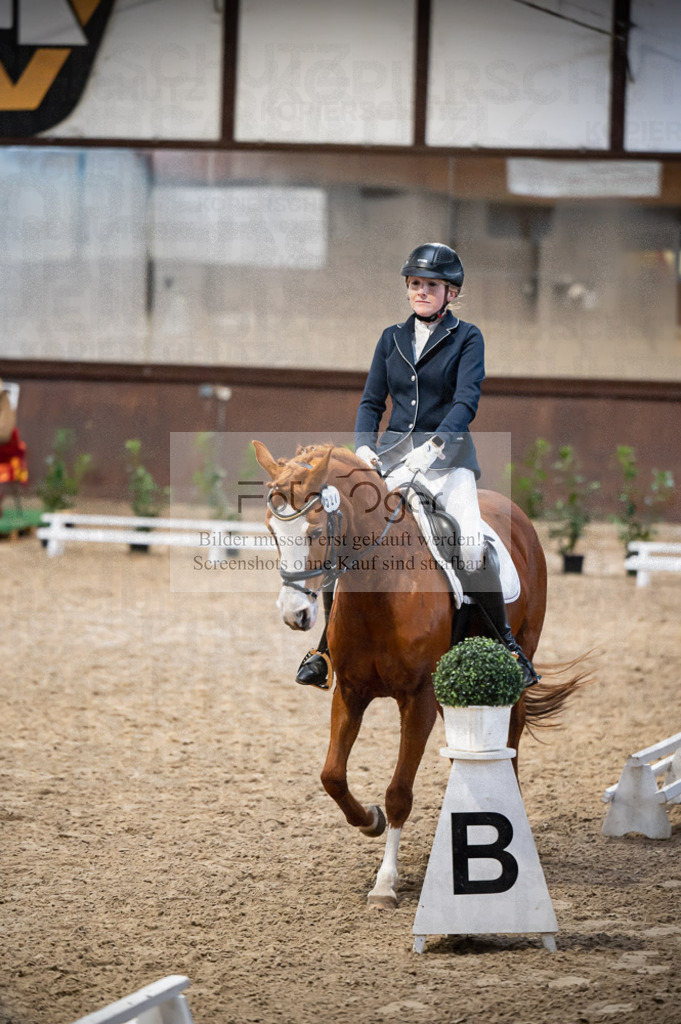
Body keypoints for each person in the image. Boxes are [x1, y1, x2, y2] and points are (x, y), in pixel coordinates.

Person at [296, 242, 539, 690]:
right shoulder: (391, 338)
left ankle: (507, 644)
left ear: (450, 293)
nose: (421, 292)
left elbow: (466, 401)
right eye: (415, 285)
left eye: (430, 286)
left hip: (447, 464)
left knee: (467, 544)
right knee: (344, 533)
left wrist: (432, 449)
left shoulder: (468, 338)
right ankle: (324, 651)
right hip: (388, 462)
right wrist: (365, 449)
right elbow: (371, 402)